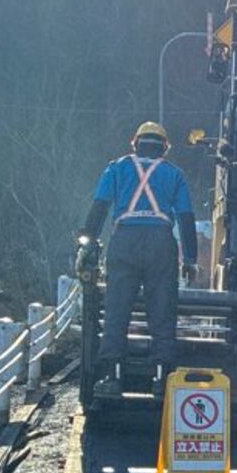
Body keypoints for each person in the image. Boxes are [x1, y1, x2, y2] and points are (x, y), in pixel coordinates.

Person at [81, 121, 199, 383]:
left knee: (117, 309)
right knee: (162, 311)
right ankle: (161, 376)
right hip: (161, 244)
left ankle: (113, 375)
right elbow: (186, 217)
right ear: (165, 148)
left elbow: (100, 207)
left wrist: (88, 243)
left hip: (125, 240)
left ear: (135, 143)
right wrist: (190, 259)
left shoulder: (116, 168)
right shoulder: (175, 174)